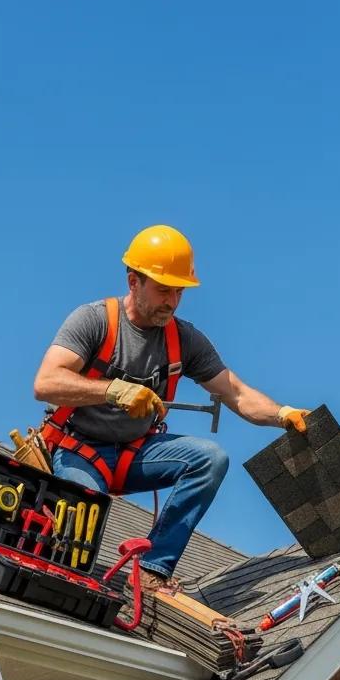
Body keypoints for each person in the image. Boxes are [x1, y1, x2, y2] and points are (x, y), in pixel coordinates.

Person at [33, 224, 309, 588]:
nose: (172, 301)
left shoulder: (184, 340)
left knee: (210, 459)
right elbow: (46, 383)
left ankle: (152, 570)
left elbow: (237, 393)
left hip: (135, 455)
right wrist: (115, 391)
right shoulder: (95, 320)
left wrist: (281, 414)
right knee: (81, 527)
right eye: (163, 290)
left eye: (179, 291)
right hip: (78, 450)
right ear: (133, 281)